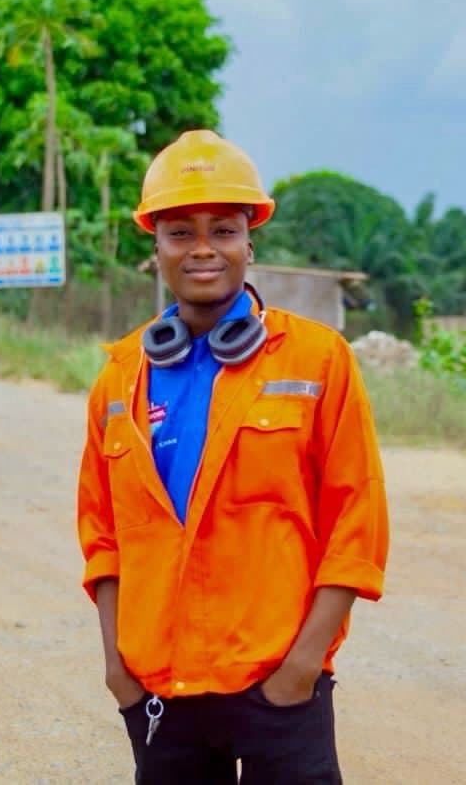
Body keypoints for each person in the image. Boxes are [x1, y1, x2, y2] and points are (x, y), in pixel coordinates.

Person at [75, 129, 390, 784]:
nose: (202, 249)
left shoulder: (318, 359)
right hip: (161, 687)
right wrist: (118, 669)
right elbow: (103, 535)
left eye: (222, 229)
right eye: (180, 232)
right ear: (155, 247)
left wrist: (300, 669)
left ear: (251, 239)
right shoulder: (120, 377)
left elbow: (356, 524)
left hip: (280, 682)